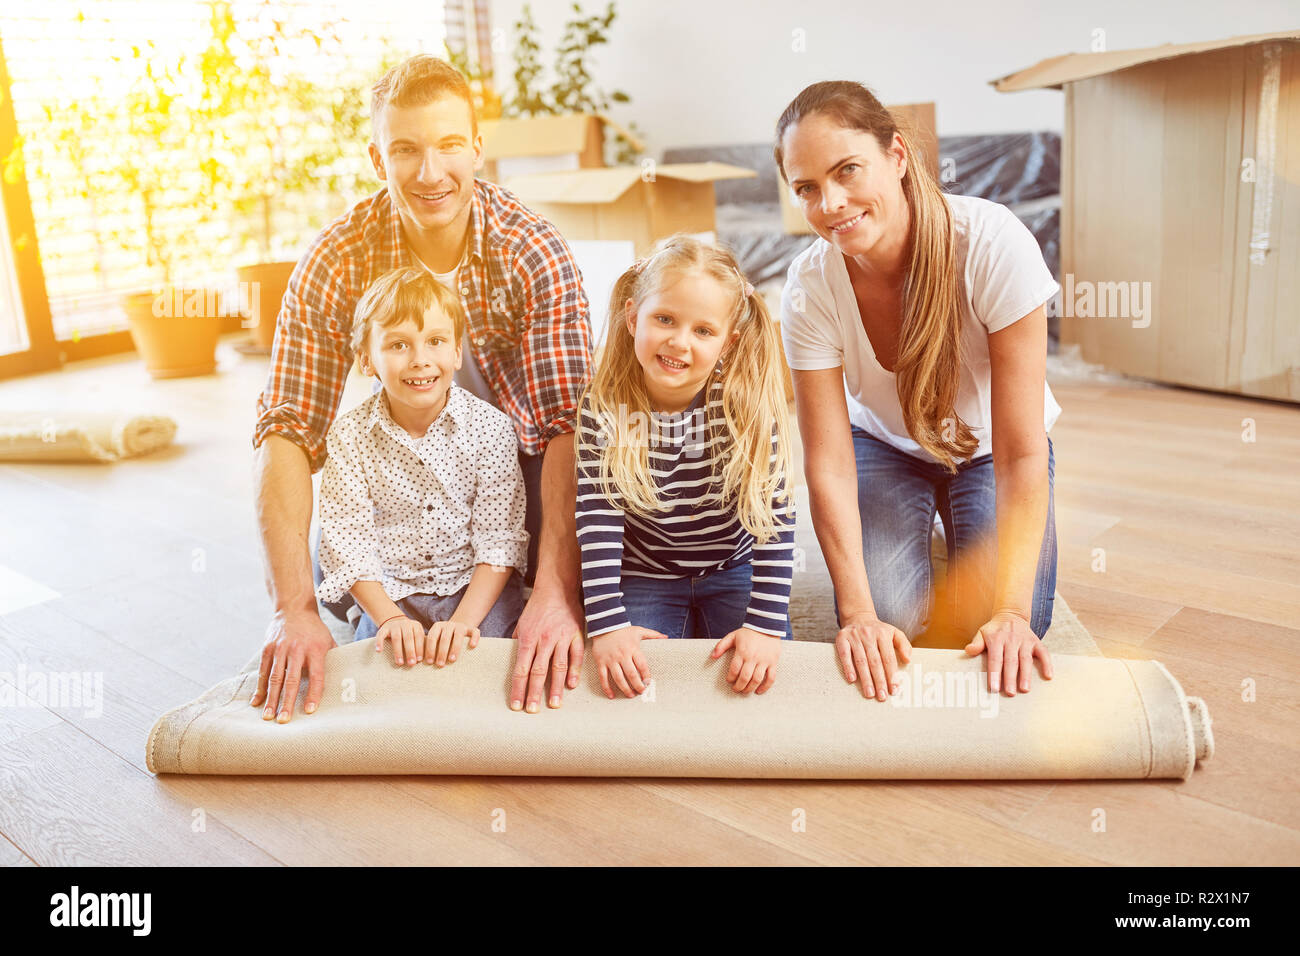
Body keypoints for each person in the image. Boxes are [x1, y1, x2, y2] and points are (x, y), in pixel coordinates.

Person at [250, 55, 591, 724]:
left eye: (449, 147)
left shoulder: (533, 252)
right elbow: (286, 427)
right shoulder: (336, 258)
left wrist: (556, 591)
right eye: (406, 150)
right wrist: (293, 612)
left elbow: (564, 427)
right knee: (330, 567)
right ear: (378, 158)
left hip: (509, 472)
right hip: (396, 472)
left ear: (477, 149)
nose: (430, 174)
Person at [774, 80, 1058, 702]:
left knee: (997, 628)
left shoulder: (991, 243)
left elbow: (1021, 452)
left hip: (989, 452)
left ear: (897, 156)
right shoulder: (808, 286)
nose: (833, 202)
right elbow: (827, 464)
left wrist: (1010, 609)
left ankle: (959, 535)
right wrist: (858, 614)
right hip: (884, 448)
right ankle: (916, 537)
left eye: (848, 170)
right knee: (892, 624)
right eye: (808, 188)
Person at [576, 236, 796, 699]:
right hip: (646, 570)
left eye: (703, 331)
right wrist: (608, 624)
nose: (679, 342)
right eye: (664, 319)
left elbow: (774, 519)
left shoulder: (746, 408)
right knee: (623, 684)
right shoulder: (604, 407)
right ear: (633, 317)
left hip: (731, 566)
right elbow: (598, 524)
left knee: (762, 682)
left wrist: (764, 625)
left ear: (728, 342)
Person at [316, 267, 528, 668]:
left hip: (475, 586)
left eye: (435, 341)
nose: (420, 360)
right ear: (366, 360)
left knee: (480, 673)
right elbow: (348, 542)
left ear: (456, 351)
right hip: (391, 590)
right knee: (375, 681)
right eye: (398, 345)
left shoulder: (490, 428)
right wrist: (389, 616)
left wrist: (464, 621)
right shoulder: (349, 437)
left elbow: (499, 539)